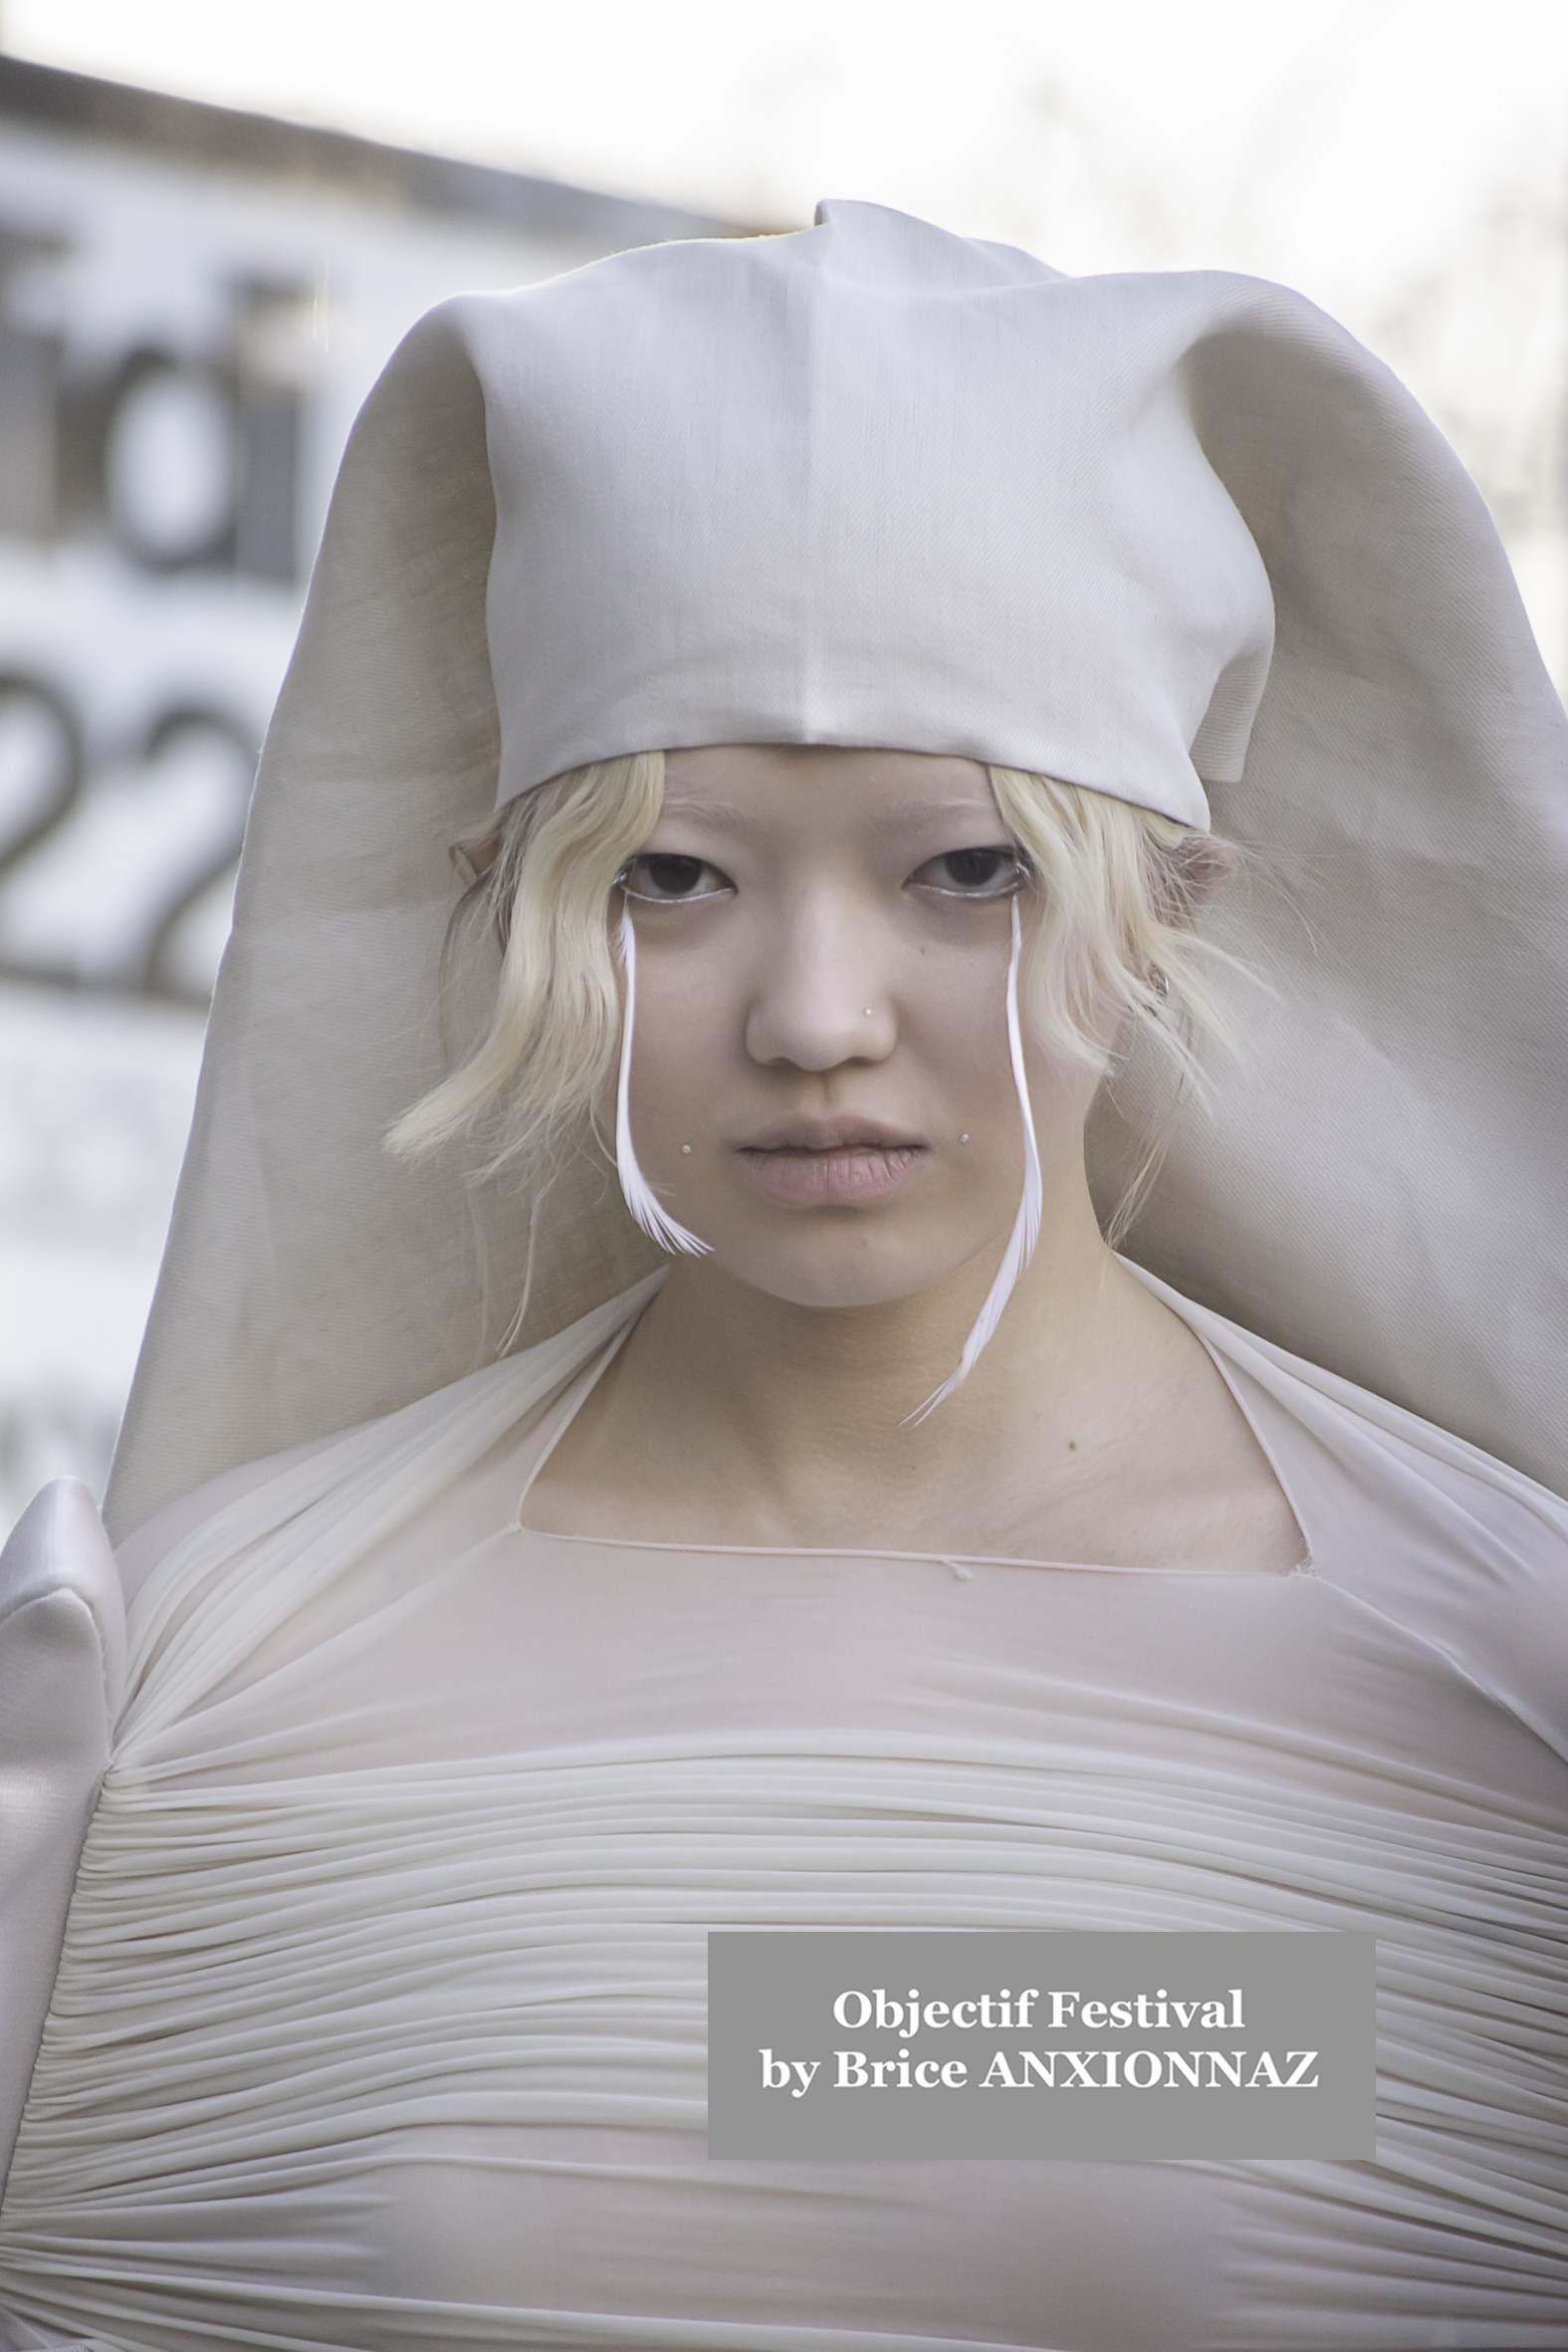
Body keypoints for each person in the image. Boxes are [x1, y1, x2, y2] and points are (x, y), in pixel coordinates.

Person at [0, 199, 1564, 2352]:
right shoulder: (195, 1668)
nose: (817, 1012)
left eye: (963, 869)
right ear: (508, 898)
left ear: (1173, 903)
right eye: (671, 875)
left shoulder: (1499, 1676)